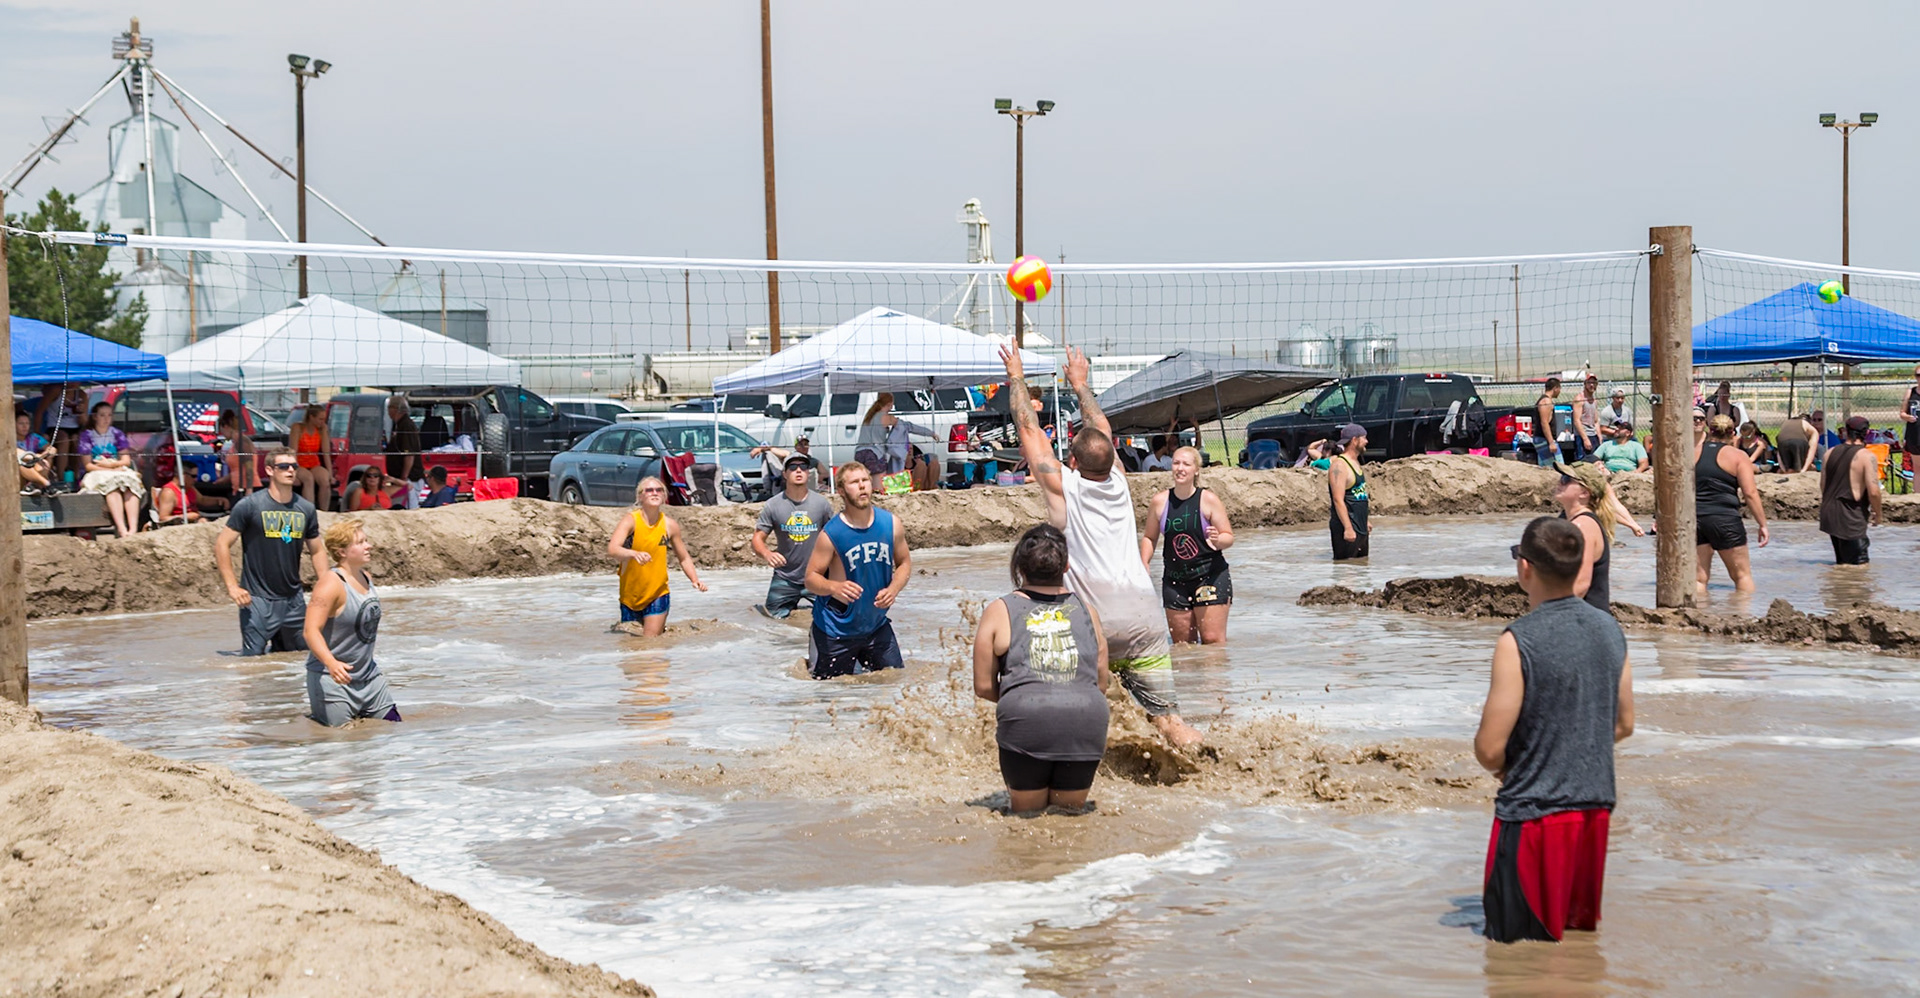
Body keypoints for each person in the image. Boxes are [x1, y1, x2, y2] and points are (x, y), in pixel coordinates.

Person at [1001, 345, 1201, 746]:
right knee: (1168, 718)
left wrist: (1017, 378)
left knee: (1070, 715)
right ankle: (1204, 758)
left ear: (1071, 463)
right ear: (1112, 460)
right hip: (1143, 614)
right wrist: (1080, 384)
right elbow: (1102, 431)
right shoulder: (1120, 480)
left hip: (1094, 622)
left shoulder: (1064, 487)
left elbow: (1028, 429)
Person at [1474, 516, 1634, 944]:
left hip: (1535, 814)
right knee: (1575, 949)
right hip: (1594, 811)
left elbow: (1489, 748)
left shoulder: (1518, 639)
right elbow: (1624, 723)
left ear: (1524, 568)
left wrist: (1524, 764)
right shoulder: (1610, 629)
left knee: (1518, 958)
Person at [972, 524, 1111, 815]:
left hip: (1026, 718)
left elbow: (984, 686)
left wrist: (1028, 694)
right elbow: (1101, 683)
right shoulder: (1089, 611)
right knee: (1069, 819)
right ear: (1066, 565)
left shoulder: (999, 610)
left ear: (1019, 566)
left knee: (1026, 821)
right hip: (1086, 719)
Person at [214, 447, 329, 655]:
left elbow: (317, 549)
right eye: (283, 466)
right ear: (269, 470)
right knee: (253, 662)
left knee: (296, 659)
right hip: (257, 599)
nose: (290, 471)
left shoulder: (306, 508)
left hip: (293, 600)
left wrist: (325, 586)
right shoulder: (249, 506)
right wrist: (232, 587)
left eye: (294, 466)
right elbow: (222, 544)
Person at [803, 462, 911, 677]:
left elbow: (905, 563)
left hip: (876, 626)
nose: (862, 486)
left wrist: (894, 588)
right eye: (854, 482)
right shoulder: (831, 533)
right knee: (830, 694)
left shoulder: (891, 523)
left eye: (865, 481)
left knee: (894, 682)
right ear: (841, 491)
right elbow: (810, 579)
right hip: (835, 630)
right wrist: (834, 586)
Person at [302, 518, 401, 727]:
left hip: (370, 677)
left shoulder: (366, 576)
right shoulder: (330, 584)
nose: (369, 546)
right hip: (333, 679)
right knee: (342, 744)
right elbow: (311, 631)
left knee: (393, 728)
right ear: (341, 551)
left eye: (366, 540)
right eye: (361, 542)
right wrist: (331, 663)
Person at [1140, 445, 1235, 644]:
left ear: (1196, 470)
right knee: (1183, 647)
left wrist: (1218, 540)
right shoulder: (1160, 502)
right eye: (1176, 463)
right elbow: (1149, 537)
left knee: (1212, 642)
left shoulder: (1208, 499)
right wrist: (1144, 563)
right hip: (1175, 581)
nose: (1180, 468)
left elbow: (1229, 537)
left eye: (1186, 464)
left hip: (1209, 576)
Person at [607, 476, 708, 636]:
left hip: (657, 593)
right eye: (649, 490)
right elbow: (612, 549)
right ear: (640, 496)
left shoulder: (669, 525)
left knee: (650, 643)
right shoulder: (631, 520)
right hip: (629, 595)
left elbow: (684, 557)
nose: (654, 493)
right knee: (630, 647)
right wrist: (633, 553)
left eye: (659, 490)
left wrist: (695, 580)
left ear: (664, 496)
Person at [752, 454, 834, 619]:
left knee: (833, 617)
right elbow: (757, 539)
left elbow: (835, 538)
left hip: (817, 575)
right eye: (793, 467)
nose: (798, 471)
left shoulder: (822, 504)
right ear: (784, 473)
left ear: (808, 472)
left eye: (803, 467)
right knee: (770, 620)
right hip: (785, 577)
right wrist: (768, 554)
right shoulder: (773, 505)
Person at [1696, 414, 1770, 593]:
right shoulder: (1738, 456)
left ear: (1709, 430)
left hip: (1694, 518)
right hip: (1725, 519)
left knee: (1698, 579)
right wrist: (1762, 524)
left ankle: (1695, 616)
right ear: (1732, 433)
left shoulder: (1692, 452)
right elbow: (1750, 493)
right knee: (1741, 576)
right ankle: (1744, 616)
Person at [1819, 415, 1883, 565]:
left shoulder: (1829, 453)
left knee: (1842, 565)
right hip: (1851, 516)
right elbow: (1874, 491)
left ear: (1846, 432)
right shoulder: (1867, 456)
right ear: (1866, 433)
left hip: (1830, 514)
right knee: (1859, 568)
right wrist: (1878, 515)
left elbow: (1823, 485)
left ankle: (1838, 589)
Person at [1554, 462, 1617, 613]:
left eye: (1566, 479)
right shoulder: (1570, 521)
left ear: (1584, 493)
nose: (1559, 482)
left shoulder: (1583, 526)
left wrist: (1549, 614)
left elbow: (1580, 584)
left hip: (1587, 621)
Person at [76, 401, 144, 537]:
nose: (106, 419)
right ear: (95, 416)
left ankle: (133, 528)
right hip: (97, 471)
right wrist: (107, 468)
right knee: (112, 489)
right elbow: (88, 465)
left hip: (115, 467)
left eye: (109, 415)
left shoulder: (117, 434)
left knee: (130, 486)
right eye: (102, 415)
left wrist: (111, 465)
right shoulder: (87, 436)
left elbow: (126, 460)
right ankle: (121, 528)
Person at [1328, 423, 1370, 561]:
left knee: (1362, 567)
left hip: (1360, 527)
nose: (1367, 442)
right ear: (1354, 440)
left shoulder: (1356, 462)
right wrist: (1347, 528)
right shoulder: (1339, 465)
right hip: (1347, 529)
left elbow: (1360, 494)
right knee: (1346, 571)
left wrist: (1366, 521)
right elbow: (1338, 500)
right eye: (1364, 438)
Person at [290, 404, 334, 511]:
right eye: (320, 419)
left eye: (324, 419)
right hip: (299, 463)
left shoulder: (322, 429)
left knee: (324, 479)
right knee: (308, 478)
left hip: (313, 463)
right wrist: (293, 472)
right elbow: (293, 451)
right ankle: (309, 511)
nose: (322, 422)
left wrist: (330, 474)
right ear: (311, 417)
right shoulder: (298, 428)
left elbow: (326, 452)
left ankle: (324, 511)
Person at [385, 395, 423, 506]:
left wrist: (403, 478)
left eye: (389, 407)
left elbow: (409, 455)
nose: (388, 411)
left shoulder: (406, 426)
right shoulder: (399, 425)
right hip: (400, 478)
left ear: (395, 409)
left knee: (410, 507)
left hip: (410, 479)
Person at [15, 407, 54, 492]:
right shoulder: (8, 440)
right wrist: (37, 457)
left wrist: (47, 453)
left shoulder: (34, 437)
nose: (25, 426)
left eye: (27, 423)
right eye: (21, 423)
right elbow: (16, 453)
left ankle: (35, 486)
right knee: (21, 463)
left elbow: (51, 448)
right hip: (16, 476)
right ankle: (46, 484)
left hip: (34, 467)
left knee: (46, 461)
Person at [1531, 378, 1564, 467]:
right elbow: (1544, 423)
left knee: (1544, 469)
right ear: (1555, 388)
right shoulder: (1546, 401)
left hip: (1543, 439)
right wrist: (1551, 443)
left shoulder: (1546, 400)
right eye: (1559, 389)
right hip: (1544, 440)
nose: (1560, 391)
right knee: (1558, 468)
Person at [1573, 374, 1601, 461]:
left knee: (1595, 461)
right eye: (1589, 383)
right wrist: (1585, 439)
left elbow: (1595, 421)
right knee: (1583, 461)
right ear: (1585, 384)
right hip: (1582, 435)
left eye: (1594, 383)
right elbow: (1577, 420)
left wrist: (1599, 436)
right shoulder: (1579, 399)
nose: (1592, 385)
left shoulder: (1594, 400)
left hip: (1593, 435)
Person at [1901, 365, 1920, 460]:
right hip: (1915, 434)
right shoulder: (1910, 392)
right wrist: (1908, 417)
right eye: (1918, 375)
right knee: (1917, 468)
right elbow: (1902, 413)